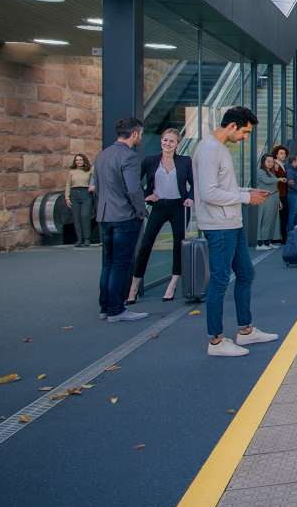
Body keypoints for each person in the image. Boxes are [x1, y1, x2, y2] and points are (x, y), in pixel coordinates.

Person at [193, 106, 275, 357]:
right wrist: (245, 198)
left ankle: (246, 331)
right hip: (219, 226)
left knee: (246, 274)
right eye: (245, 132)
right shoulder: (209, 151)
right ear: (231, 127)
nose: (245, 137)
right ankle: (216, 341)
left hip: (231, 224)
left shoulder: (219, 149)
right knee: (219, 280)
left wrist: (246, 191)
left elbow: (222, 187)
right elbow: (209, 193)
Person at [126, 128, 194, 304]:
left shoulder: (185, 161)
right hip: (158, 207)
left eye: (171, 141)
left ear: (177, 144)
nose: (167, 144)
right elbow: (133, 183)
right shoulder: (150, 161)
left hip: (179, 207)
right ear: (161, 141)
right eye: (165, 140)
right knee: (146, 244)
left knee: (178, 245)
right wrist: (145, 196)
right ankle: (134, 286)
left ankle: (172, 283)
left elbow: (194, 184)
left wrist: (190, 198)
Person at [92, 118, 149, 322]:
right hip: (125, 216)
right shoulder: (130, 157)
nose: (140, 137)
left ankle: (105, 307)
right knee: (121, 264)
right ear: (134, 134)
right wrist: (141, 211)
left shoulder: (102, 155)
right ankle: (117, 309)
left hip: (104, 215)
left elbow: (98, 187)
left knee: (108, 263)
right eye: (140, 134)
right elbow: (133, 189)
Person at [65, 152, 94, 246]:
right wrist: (67, 198)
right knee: (76, 218)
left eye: (80, 159)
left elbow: (95, 180)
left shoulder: (90, 170)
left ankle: (87, 239)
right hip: (74, 194)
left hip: (86, 193)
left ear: (84, 160)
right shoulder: (71, 171)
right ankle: (79, 239)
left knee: (85, 216)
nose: (78, 161)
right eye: (77, 160)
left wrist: (93, 187)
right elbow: (68, 185)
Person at [256, 153, 283, 247]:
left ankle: (268, 241)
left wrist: (279, 201)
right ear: (263, 162)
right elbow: (267, 181)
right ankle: (261, 242)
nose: (270, 163)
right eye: (268, 161)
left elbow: (274, 187)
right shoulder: (260, 171)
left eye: (272, 161)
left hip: (274, 198)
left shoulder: (271, 172)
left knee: (273, 221)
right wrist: (279, 179)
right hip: (266, 198)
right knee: (266, 220)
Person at [270, 144, 290, 243]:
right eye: (281, 153)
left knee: (284, 217)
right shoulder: (275, 165)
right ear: (276, 155)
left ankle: (282, 237)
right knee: (282, 217)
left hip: (283, 194)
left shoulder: (281, 165)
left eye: (284, 154)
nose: (283, 155)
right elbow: (275, 181)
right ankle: (281, 238)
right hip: (279, 195)